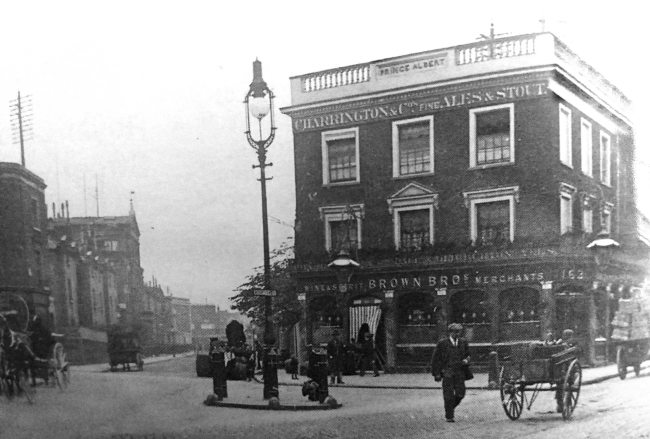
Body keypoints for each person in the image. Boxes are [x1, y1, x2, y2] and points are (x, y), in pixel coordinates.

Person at [431, 323, 471, 423]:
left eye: (459, 332)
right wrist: (437, 373)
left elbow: (468, 355)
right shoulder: (442, 343)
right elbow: (435, 359)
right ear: (450, 332)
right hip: (447, 372)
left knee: (461, 394)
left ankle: (450, 408)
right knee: (448, 395)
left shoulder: (463, 343)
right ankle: (449, 416)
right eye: (456, 332)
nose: (458, 334)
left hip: (460, 372)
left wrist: (467, 360)